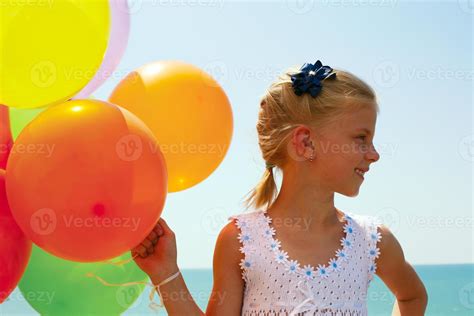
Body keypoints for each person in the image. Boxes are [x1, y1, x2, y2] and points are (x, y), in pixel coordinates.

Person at [132, 60, 428, 315]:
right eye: (360, 138)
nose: (374, 153)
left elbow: (413, 296)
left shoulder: (372, 241)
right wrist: (166, 272)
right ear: (305, 143)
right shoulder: (241, 241)